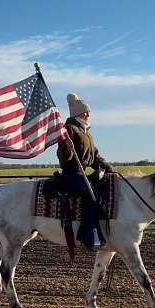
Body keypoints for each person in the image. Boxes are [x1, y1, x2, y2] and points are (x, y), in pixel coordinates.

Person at [57, 93, 113, 249]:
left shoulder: (86, 132)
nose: (88, 114)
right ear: (77, 114)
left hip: (82, 172)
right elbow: (63, 158)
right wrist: (67, 150)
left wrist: (111, 171)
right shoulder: (69, 129)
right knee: (91, 195)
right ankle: (87, 235)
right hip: (71, 172)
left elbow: (95, 157)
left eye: (88, 111)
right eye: (85, 112)